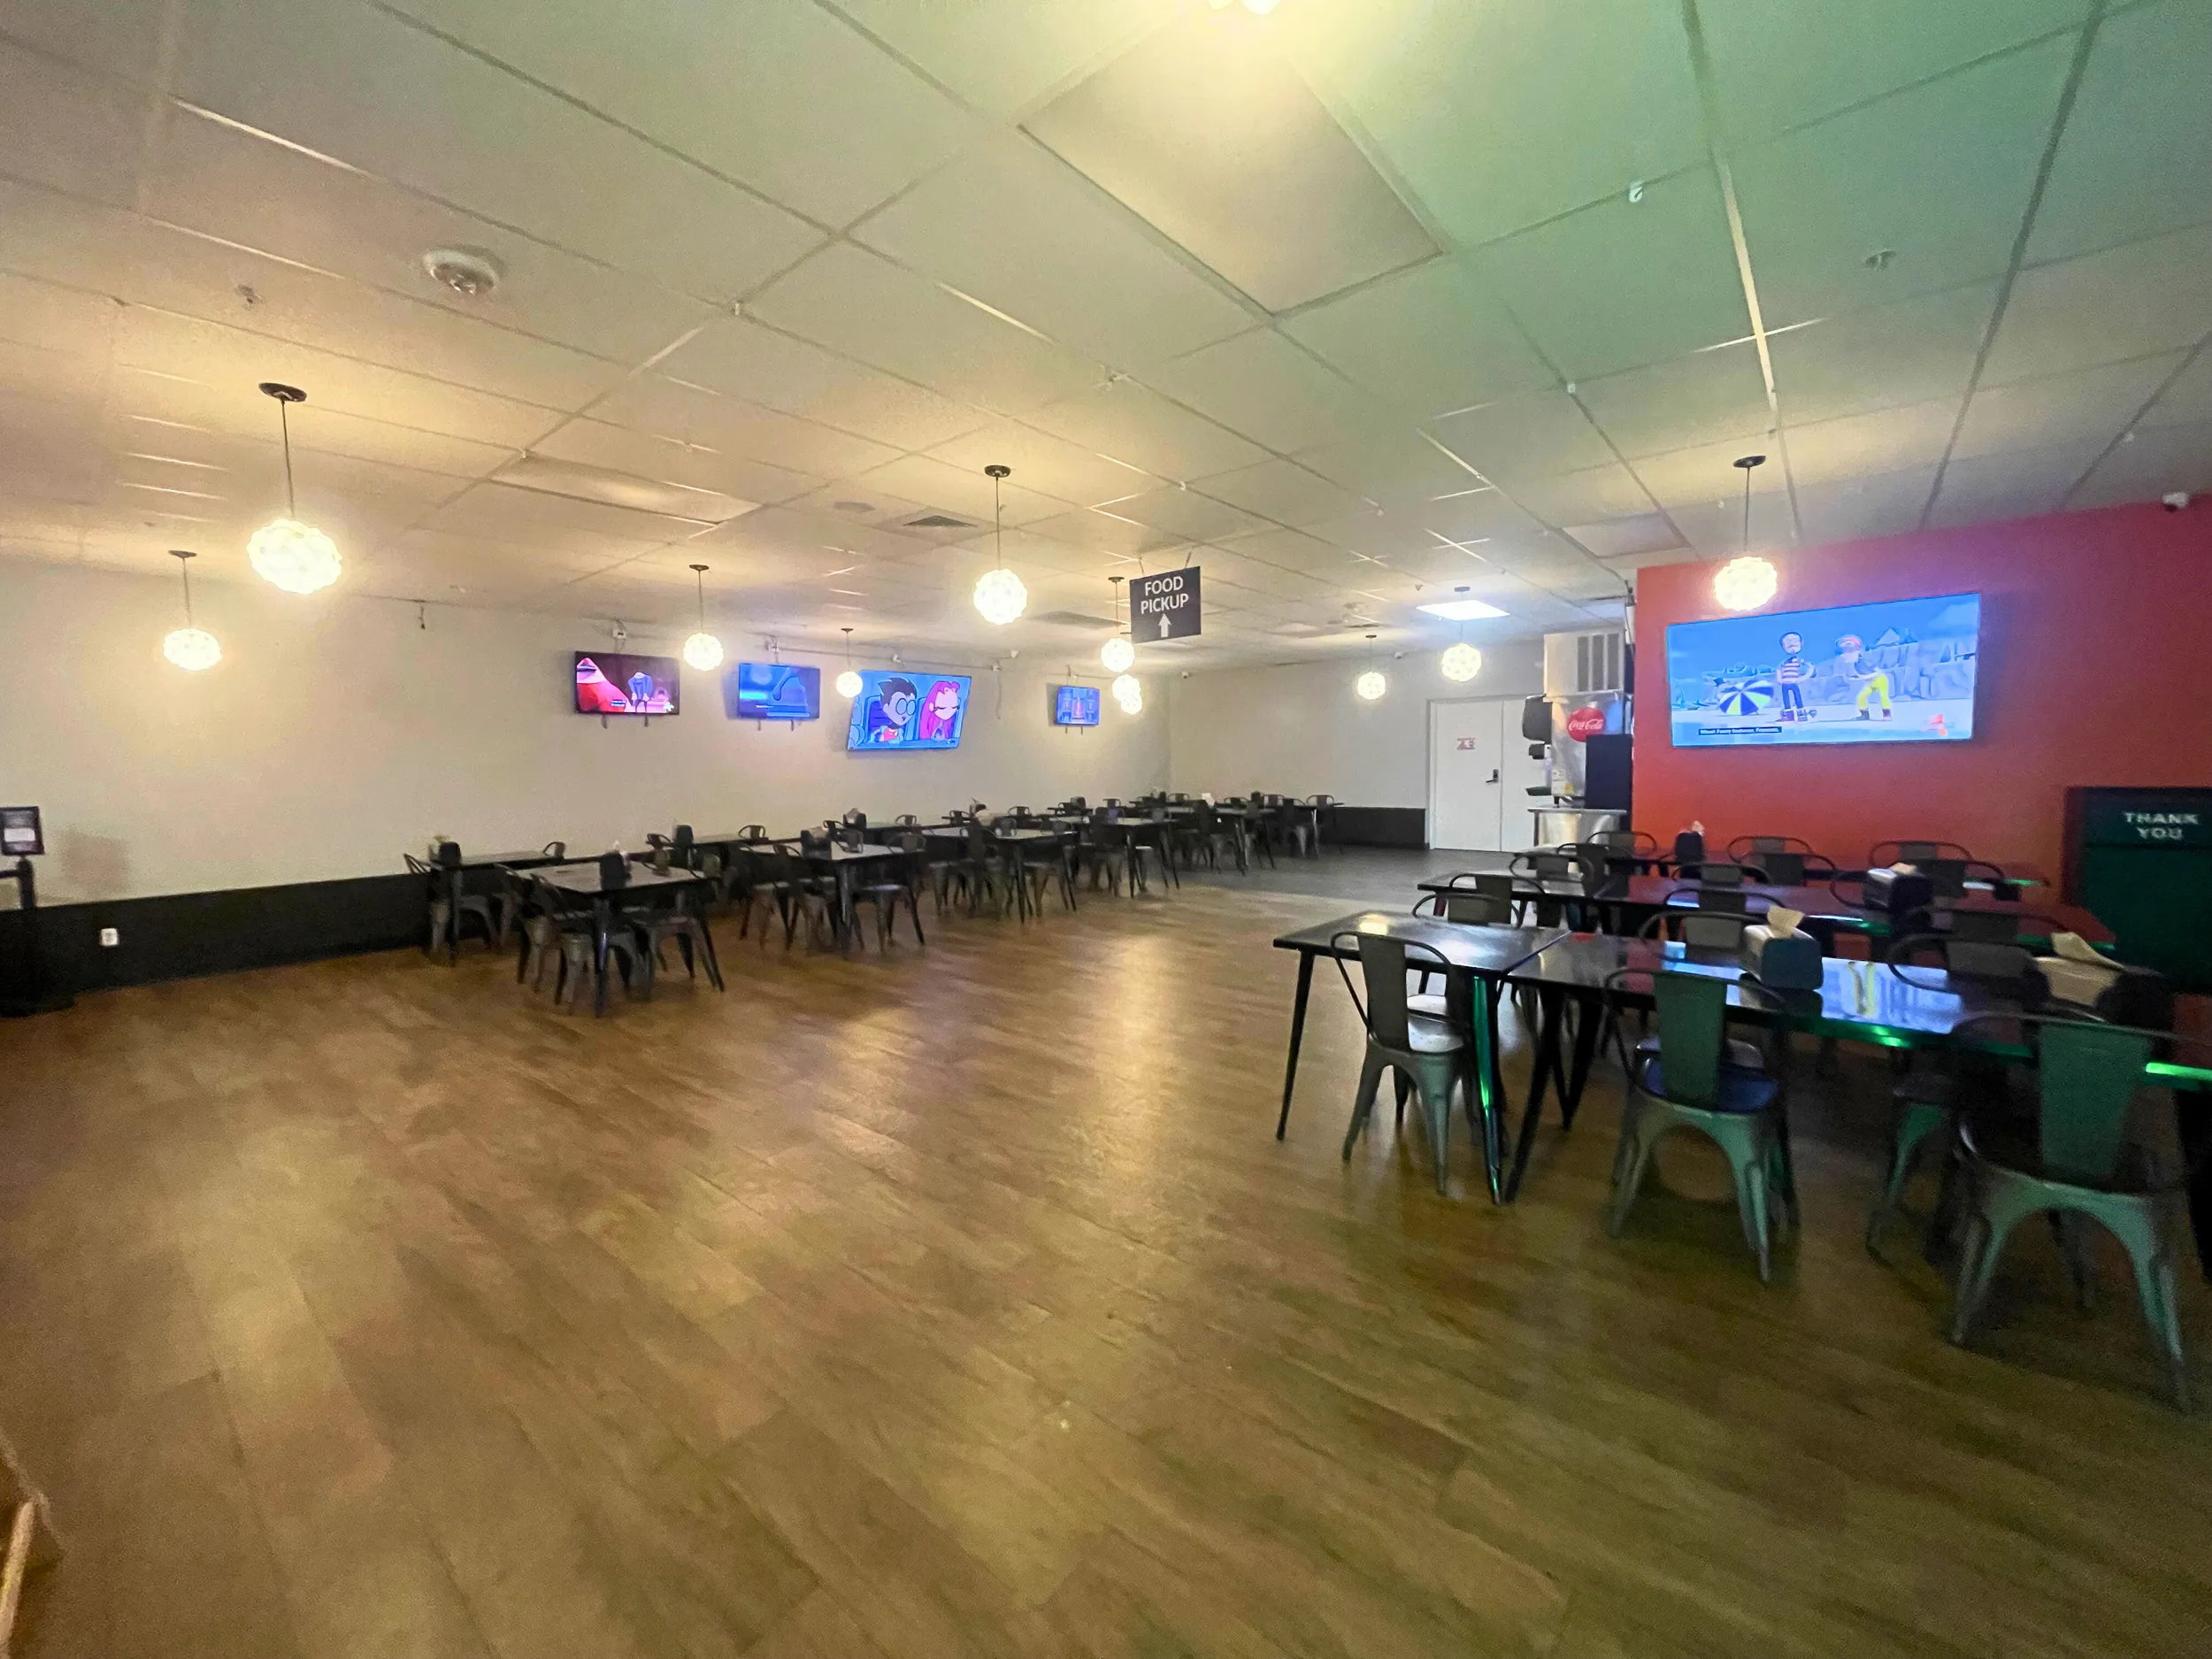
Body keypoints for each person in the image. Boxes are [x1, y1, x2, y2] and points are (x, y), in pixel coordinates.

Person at [1836, 634, 1893, 720]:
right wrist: (1851, 678)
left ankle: (1887, 714)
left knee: (1883, 696)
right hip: (1871, 682)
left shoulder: (1865, 661)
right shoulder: (1856, 665)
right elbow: (1857, 676)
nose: (1846, 654)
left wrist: (1863, 677)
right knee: (1861, 697)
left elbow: (1878, 672)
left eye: (1850, 651)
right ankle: (1864, 715)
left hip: (1881, 680)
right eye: (1845, 651)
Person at [862, 677, 919, 744]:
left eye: (910, 707)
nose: (905, 713)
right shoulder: (880, 730)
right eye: (900, 707)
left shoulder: (904, 732)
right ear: (886, 707)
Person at [1774, 629, 1813, 723]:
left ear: (1800, 643)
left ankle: (1801, 714)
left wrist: (1803, 678)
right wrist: (1779, 679)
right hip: (1785, 683)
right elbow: (1779, 669)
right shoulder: (1785, 662)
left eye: (1795, 641)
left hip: (1794, 682)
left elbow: (1810, 667)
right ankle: (1788, 716)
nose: (1791, 644)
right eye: (1787, 642)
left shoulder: (1799, 661)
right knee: (1786, 699)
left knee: (1797, 698)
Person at [918, 679, 964, 743]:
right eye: (943, 708)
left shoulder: (951, 720)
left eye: (953, 707)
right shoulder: (928, 716)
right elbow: (924, 733)